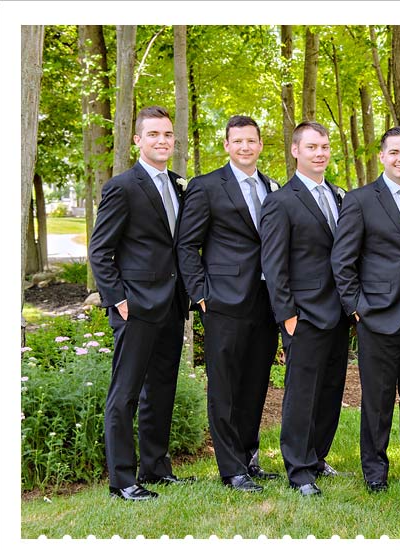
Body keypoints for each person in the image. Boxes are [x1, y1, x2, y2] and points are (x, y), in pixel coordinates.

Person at [331, 127, 400, 493]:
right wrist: (356, 308)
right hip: (377, 314)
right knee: (378, 400)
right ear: (382, 156)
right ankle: (375, 472)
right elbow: (343, 260)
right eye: (394, 152)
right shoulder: (361, 199)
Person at [89, 106, 193, 500]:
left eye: (167, 135)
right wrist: (118, 299)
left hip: (171, 304)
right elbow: (100, 251)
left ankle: (156, 468)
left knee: (161, 388)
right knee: (126, 393)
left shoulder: (180, 185)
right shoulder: (122, 186)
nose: (162, 141)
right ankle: (123, 480)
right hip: (135, 305)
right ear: (137, 140)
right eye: (154, 135)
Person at [176, 115, 280, 493]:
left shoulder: (272, 186)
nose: (245, 147)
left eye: (251, 141)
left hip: (266, 302)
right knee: (225, 386)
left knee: (255, 382)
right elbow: (187, 245)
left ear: (260, 145)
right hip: (222, 300)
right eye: (237, 141)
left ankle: (249, 457)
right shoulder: (206, 187)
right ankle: (230, 468)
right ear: (226, 145)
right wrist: (201, 292)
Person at [260, 121, 350, 497]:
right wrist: (287, 316)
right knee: (301, 393)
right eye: (312, 147)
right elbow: (273, 264)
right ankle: (298, 469)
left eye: (325, 146)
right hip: (304, 314)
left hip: (339, 312)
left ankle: (316, 457)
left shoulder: (339, 195)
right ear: (295, 151)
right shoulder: (281, 200)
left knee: (331, 389)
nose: (320, 153)